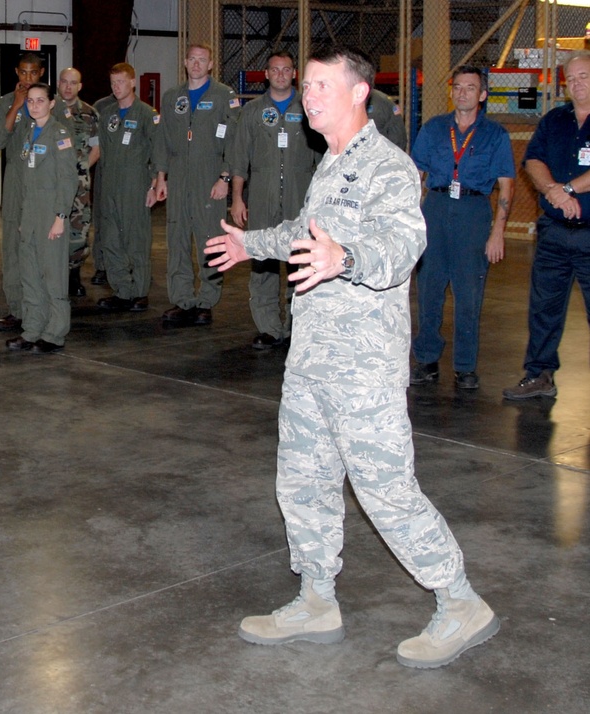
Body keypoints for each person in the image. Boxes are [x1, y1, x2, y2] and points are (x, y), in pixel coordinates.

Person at [204, 44, 498, 669]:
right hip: (312, 357)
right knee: (303, 481)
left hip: (362, 364)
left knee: (385, 487)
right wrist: (250, 243)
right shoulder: (331, 164)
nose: (307, 96)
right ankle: (316, 599)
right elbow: (303, 233)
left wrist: (348, 259)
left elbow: (403, 243)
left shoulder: (386, 166)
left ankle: (460, 600)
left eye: (318, 85)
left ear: (359, 92)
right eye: (304, 86)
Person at [409, 65, 515, 390]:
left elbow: (506, 187)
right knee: (429, 288)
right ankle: (426, 359)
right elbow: (416, 175)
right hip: (436, 209)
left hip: (473, 211)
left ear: (482, 95)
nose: (462, 93)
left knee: (469, 292)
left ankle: (465, 365)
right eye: (458, 87)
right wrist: (411, 219)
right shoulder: (434, 129)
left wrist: (497, 232)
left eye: (470, 87)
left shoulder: (495, 135)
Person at [503, 51, 590, 400]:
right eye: (573, 78)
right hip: (554, 234)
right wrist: (554, 191)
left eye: (585, 75)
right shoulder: (555, 119)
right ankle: (539, 375)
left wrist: (567, 189)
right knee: (544, 308)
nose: (578, 83)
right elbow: (533, 160)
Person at [229, 50, 325, 349]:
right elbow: (239, 158)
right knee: (262, 260)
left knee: (301, 262)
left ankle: (299, 326)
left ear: (294, 73)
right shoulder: (253, 111)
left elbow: (323, 158)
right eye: (275, 69)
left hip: (301, 195)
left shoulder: (309, 107)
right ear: (266, 74)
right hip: (262, 195)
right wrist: (237, 199)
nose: (281, 74)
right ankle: (269, 327)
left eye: (286, 69)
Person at [153, 43, 241, 327]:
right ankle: (183, 300)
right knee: (177, 239)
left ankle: (206, 301)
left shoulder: (223, 96)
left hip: (210, 176)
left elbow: (235, 141)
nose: (197, 64)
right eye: (192, 59)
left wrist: (225, 177)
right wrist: (161, 177)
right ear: (185, 62)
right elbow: (162, 140)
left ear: (211, 64)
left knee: (210, 240)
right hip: (178, 176)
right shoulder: (171, 97)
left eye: (202, 60)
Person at [1, 83, 79, 354]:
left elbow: (68, 180)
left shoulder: (59, 134)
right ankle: (32, 329)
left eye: (40, 101)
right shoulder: (28, 133)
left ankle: (55, 333)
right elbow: (25, 182)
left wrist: (60, 216)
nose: (34, 106)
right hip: (31, 215)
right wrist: (24, 216)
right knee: (30, 276)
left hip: (51, 213)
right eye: (30, 101)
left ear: (51, 103)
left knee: (53, 277)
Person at [0, 52, 47, 333]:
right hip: (14, 185)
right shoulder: (3, 103)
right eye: (23, 73)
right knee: (12, 250)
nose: (27, 78)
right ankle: (16, 309)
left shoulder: (49, 104)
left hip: (41, 185)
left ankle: (39, 307)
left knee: (39, 251)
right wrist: (16, 105)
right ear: (15, 72)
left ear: (41, 73)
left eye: (33, 73)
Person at [94, 62, 160, 312]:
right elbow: (99, 149)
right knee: (110, 239)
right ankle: (121, 290)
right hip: (108, 184)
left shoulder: (146, 114)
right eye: (113, 83)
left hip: (135, 185)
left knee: (136, 239)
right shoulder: (107, 113)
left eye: (121, 82)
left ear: (133, 82)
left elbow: (158, 151)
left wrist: (155, 184)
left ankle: (140, 291)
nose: (116, 87)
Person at [53, 66, 100, 298]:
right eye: (64, 82)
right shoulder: (47, 110)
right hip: (50, 184)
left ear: (79, 86)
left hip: (79, 186)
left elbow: (96, 148)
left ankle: (73, 276)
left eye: (73, 83)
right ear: (58, 83)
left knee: (78, 231)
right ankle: (52, 276)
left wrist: (79, 170)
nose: (68, 87)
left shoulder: (90, 114)